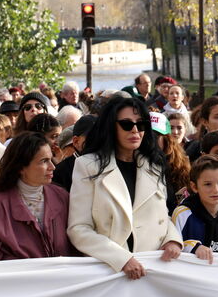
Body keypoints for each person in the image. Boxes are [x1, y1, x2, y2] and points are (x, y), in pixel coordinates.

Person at [67, 96, 184, 280]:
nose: (136, 130)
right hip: (110, 272)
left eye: (141, 124)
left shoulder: (154, 165)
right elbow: (79, 228)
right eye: (126, 124)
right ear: (111, 127)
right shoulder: (87, 165)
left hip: (154, 271)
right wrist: (121, 259)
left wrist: (172, 239)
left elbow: (161, 216)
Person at [0, 132, 77, 261]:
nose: (52, 167)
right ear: (21, 167)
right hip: (20, 280)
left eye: (51, 158)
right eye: (44, 161)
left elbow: (76, 245)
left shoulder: (62, 196)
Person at [52, 114, 96, 191]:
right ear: (76, 141)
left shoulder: (111, 163)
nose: (99, 142)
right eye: (93, 138)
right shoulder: (61, 172)